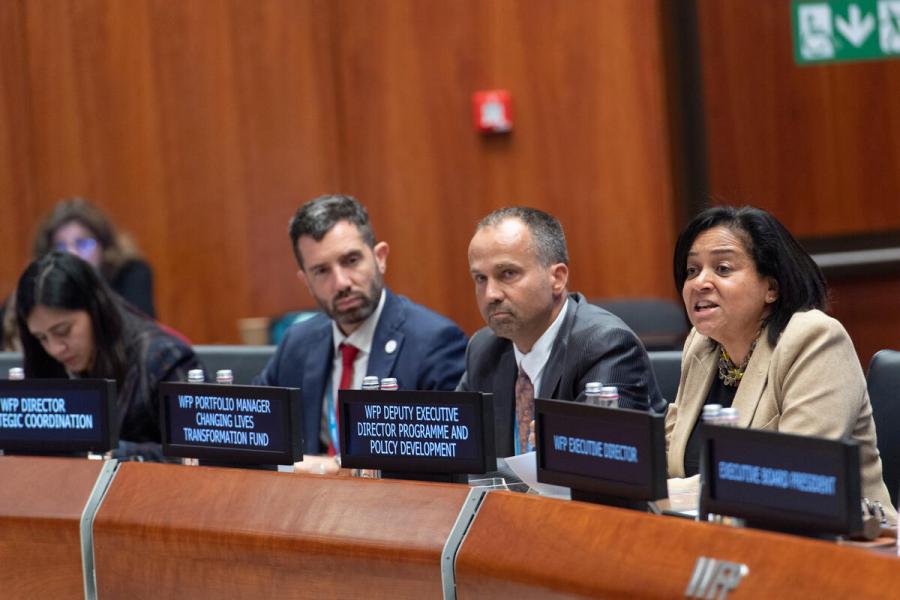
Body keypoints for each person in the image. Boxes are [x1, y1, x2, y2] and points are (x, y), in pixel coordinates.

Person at [665, 205, 895, 522]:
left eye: (722, 269)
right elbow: (669, 455)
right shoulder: (701, 345)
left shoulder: (814, 339)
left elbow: (794, 475)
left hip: (841, 543)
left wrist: (668, 494)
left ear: (771, 288)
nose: (700, 282)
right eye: (692, 270)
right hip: (719, 534)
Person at [254, 194, 468, 459]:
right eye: (321, 271)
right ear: (306, 281)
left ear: (380, 257)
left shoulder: (435, 342)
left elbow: (448, 458)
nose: (341, 283)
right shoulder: (297, 343)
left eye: (351, 261)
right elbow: (259, 437)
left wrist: (332, 469)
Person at [458, 207, 664, 457]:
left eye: (508, 274)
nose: (491, 294)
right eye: (480, 278)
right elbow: (463, 452)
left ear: (557, 277)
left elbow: (605, 460)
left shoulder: (604, 345)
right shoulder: (484, 349)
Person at [16, 252, 201, 460]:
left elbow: (199, 455)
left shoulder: (163, 357)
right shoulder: (46, 361)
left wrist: (118, 452)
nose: (55, 349)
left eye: (63, 331)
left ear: (95, 308)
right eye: (42, 338)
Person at [32, 197, 156, 317]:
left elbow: (140, 327)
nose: (72, 254)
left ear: (105, 246)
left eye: (83, 244)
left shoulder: (131, 273)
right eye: (61, 247)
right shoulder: (39, 286)